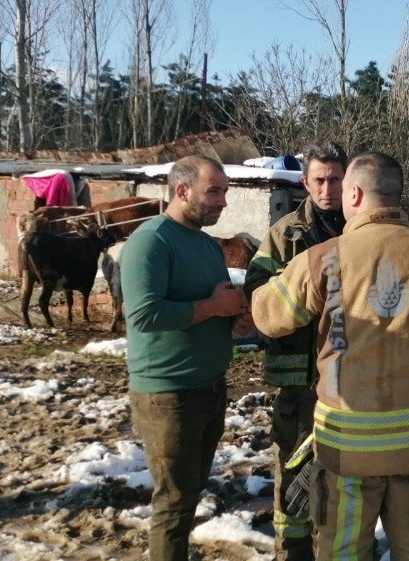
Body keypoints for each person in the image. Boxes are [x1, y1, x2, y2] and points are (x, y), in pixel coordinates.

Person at [251, 152, 409, 561]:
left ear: (355, 193)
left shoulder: (324, 257)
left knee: (345, 547)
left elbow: (268, 317)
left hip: (347, 446)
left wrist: (279, 277)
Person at [120, 155, 250, 561]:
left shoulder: (206, 245)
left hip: (208, 388)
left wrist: (236, 317)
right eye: (215, 191)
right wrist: (213, 308)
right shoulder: (152, 240)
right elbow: (142, 315)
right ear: (181, 190)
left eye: (225, 191)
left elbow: (215, 302)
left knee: (189, 494)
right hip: (168, 394)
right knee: (173, 504)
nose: (223, 201)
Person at [244, 141, 348, 561]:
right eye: (319, 180)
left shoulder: (362, 231)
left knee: (345, 468)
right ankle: (294, 549)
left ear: (349, 181)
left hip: (350, 379)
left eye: (335, 179)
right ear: (305, 182)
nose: (327, 189)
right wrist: (298, 296)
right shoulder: (283, 234)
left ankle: (340, 544)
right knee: (294, 465)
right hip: (300, 378)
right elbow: (256, 293)